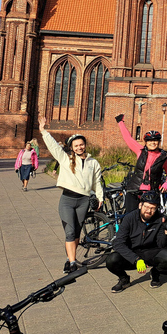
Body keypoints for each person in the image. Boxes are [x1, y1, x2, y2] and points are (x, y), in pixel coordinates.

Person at [39, 116, 103, 273]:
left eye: (81, 145)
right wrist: (43, 131)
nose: (79, 147)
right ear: (72, 147)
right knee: (69, 231)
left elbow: (97, 182)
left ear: (85, 145)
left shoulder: (93, 162)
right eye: (76, 145)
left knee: (76, 231)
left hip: (84, 200)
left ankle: (69, 259)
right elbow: (53, 147)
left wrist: (100, 198)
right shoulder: (65, 159)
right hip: (67, 200)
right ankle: (73, 263)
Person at [106, 191, 167, 292]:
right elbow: (118, 243)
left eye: (152, 208)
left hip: (150, 252)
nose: (148, 211)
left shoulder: (159, 219)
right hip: (133, 253)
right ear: (140, 205)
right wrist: (136, 259)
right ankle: (124, 279)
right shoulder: (129, 218)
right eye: (146, 207)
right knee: (111, 260)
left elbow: (162, 245)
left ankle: (155, 272)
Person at [115, 114, 167, 214]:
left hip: (151, 193)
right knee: (131, 218)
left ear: (159, 142)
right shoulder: (140, 151)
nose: (152, 143)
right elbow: (128, 138)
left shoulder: (163, 157)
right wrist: (120, 122)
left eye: (155, 140)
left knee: (148, 219)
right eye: (149, 141)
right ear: (146, 142)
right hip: (134, 190)